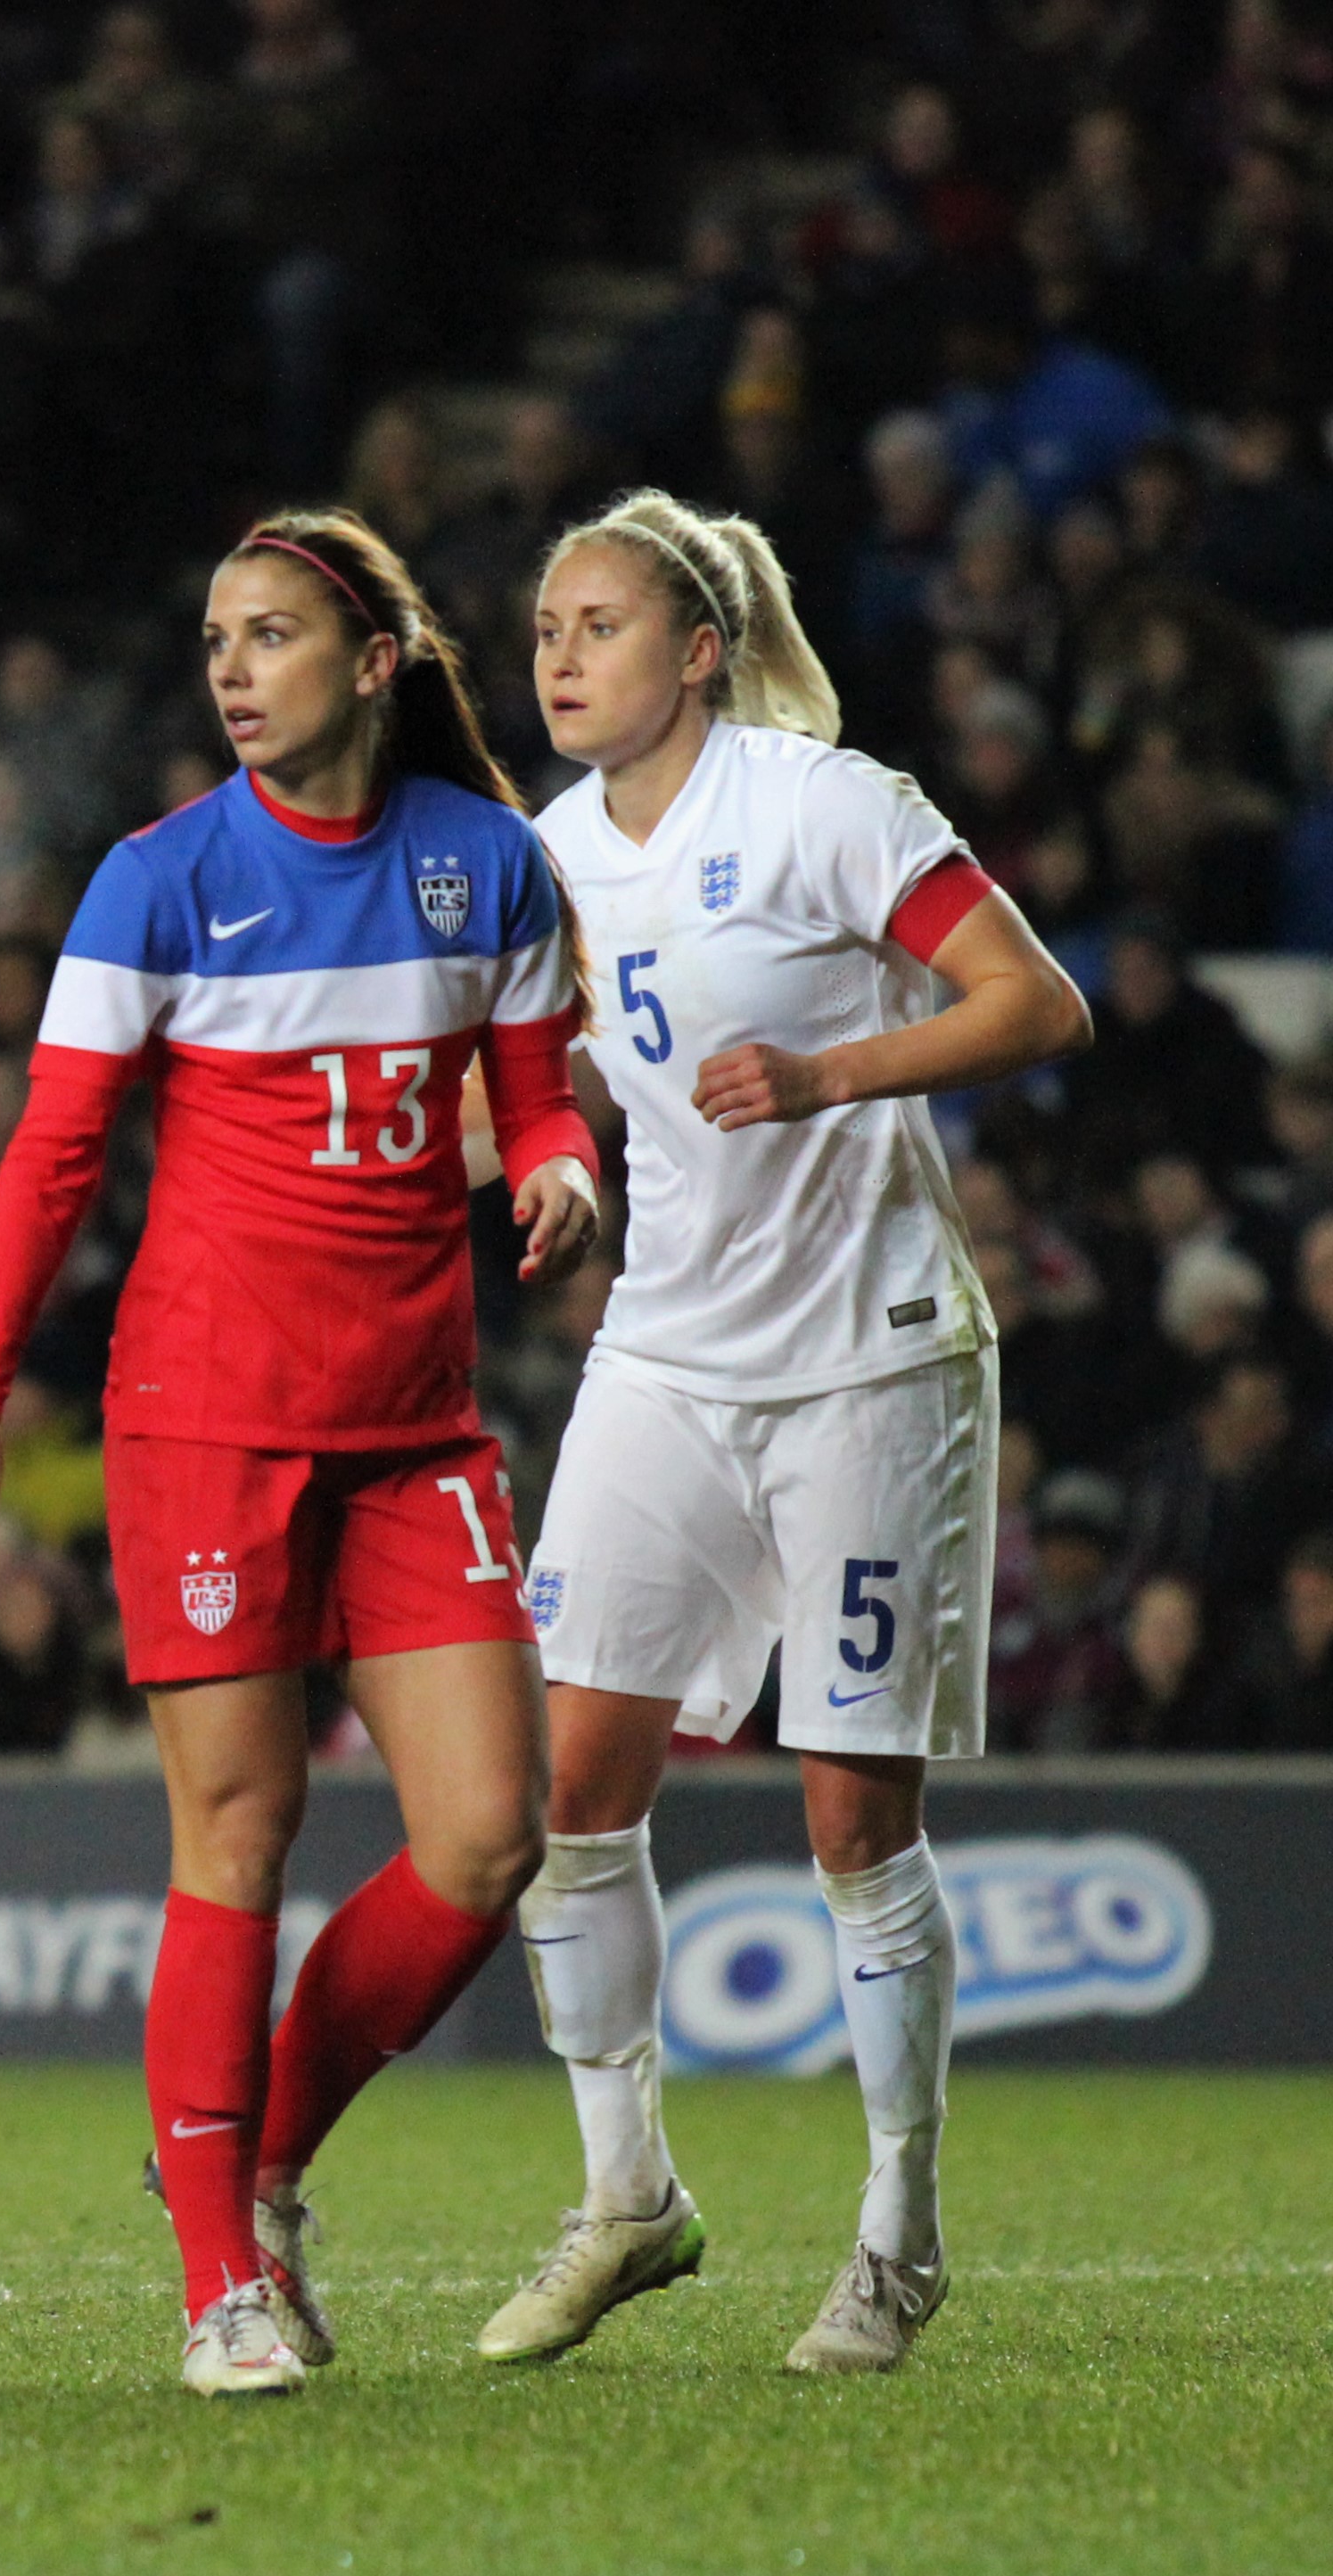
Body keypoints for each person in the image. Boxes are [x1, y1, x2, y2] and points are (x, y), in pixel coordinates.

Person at [0, 508, 604, 2399]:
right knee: (240, 1829)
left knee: (482, 1838)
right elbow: (52, 1159)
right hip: (206, 1421)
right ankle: (219, 2274)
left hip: (412, 1425)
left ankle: (258, 2156)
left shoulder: (489, 864)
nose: (230, 666)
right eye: (217, 635)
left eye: (272, 633)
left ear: (372, 661)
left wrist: (553, 1158)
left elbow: (531, 1083)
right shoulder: (155, 880)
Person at [492, 491, 1090, 2374]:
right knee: (564, 1796)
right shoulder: (552, 853)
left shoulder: (827, 801)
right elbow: (551, 1081)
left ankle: (897, 2230)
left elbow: (1035, 999)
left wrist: (832, 1070)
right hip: (669, 1353)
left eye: (597, 625)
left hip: (869, 1356)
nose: (560, 657)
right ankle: (625, 2198)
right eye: (543, 629)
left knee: (852, 1815)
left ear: (693, 648)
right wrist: (563, 1177)